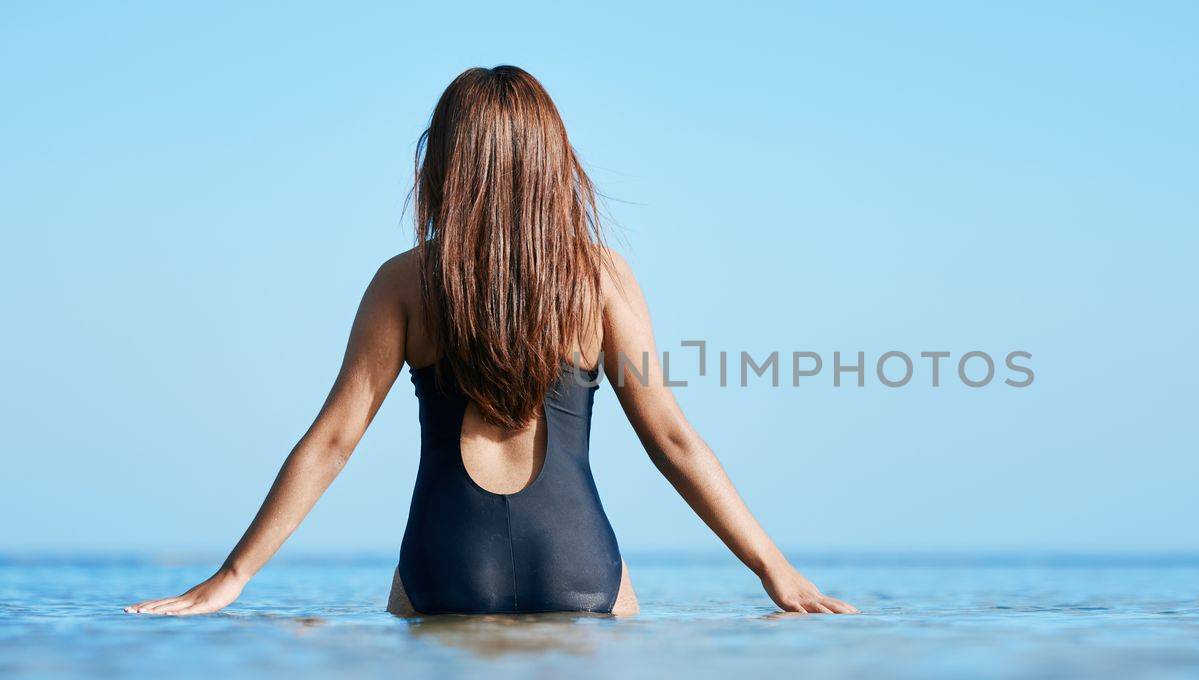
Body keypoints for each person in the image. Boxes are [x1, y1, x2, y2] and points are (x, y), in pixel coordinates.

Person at [125, 65, 857, 617]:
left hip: (445, 558)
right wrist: (774, 569)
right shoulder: (599, 279)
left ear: (445, 164)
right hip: (580, 558)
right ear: (553, 163)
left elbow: (334, 440)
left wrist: (233, 576)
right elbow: (670, 437)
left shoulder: (405, 282)